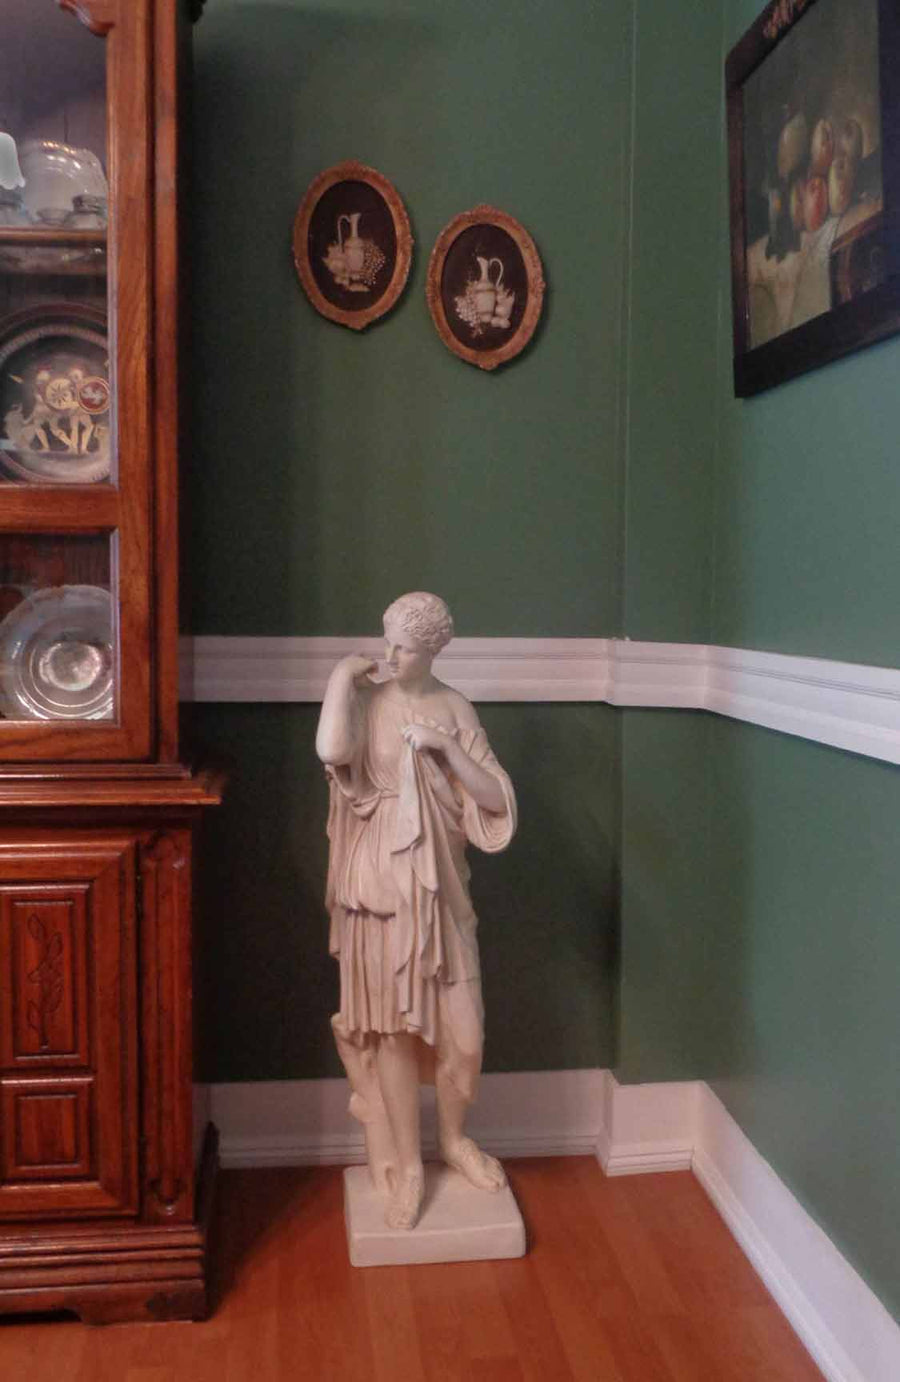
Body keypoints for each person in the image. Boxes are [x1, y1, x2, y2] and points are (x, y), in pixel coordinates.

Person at [316, 592, 517, 1230]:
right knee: (393, 1031)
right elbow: (331, 751)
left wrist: (444, 748)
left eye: (402, 646)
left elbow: (493, 798)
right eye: (387, 641)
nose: (390, 655)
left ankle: (454, 1141)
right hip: (379, 884)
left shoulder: (455, 706)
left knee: (467, 1037)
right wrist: (339, 680)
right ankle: (408, 1163)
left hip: (443, 890)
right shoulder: (371, 703)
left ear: (430, 650)